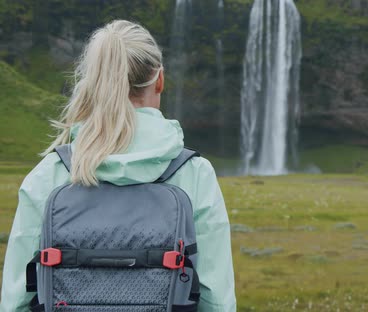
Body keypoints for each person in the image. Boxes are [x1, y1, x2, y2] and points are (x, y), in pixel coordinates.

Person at [0, 20, 236, 311]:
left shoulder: (51, 173)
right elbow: (216, 299)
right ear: (160, 80)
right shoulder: (195, 174)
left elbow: (15, 301)